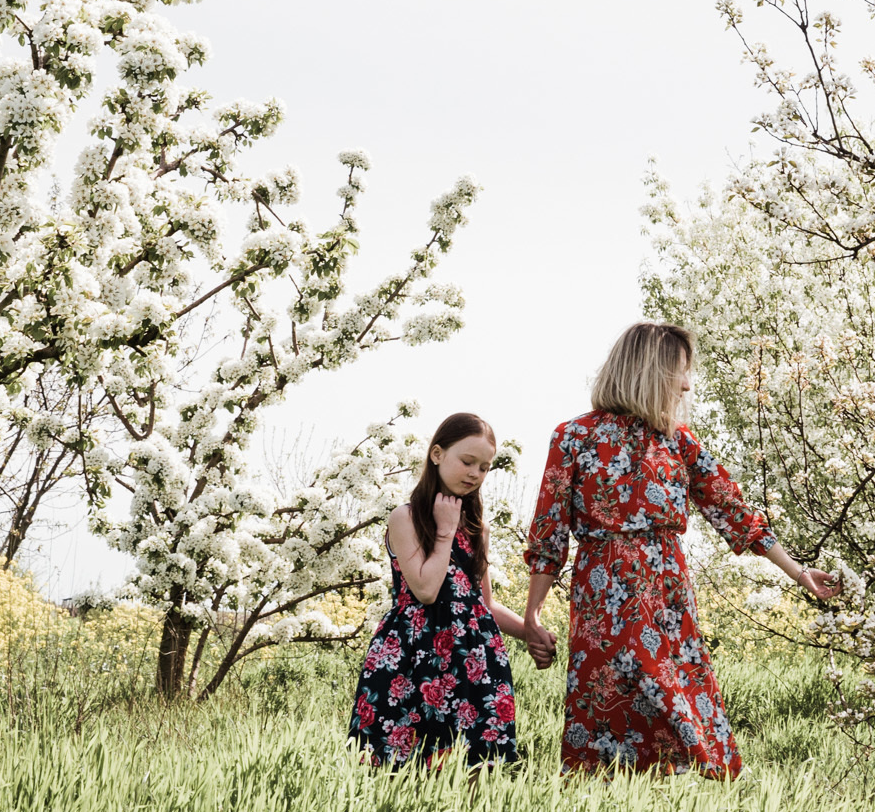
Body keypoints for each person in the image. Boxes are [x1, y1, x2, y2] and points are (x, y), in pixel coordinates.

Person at [522, 321, 839, 777]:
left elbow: (734, 512)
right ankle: (607, 805)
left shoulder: (679, 440)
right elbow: (549, 533)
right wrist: (533, 616)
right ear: (648, 371)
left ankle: (682, 798)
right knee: (612, 694)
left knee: (669, 691)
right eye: (680, 371)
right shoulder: (573, 437)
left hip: (667, 594)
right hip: (601, 595)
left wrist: (798, 571)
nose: (687, 384)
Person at [351, 411, 556, 769]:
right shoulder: (406, 517)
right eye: (467, 461)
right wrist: (445, 532)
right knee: (401, 764)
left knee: (471, 763)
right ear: (436, 455)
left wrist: (531, 634)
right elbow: (426, 590)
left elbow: (484, 605)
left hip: (471, 658)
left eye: (484, 467)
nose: (475, 473)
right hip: (413, 656)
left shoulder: (478, 529)